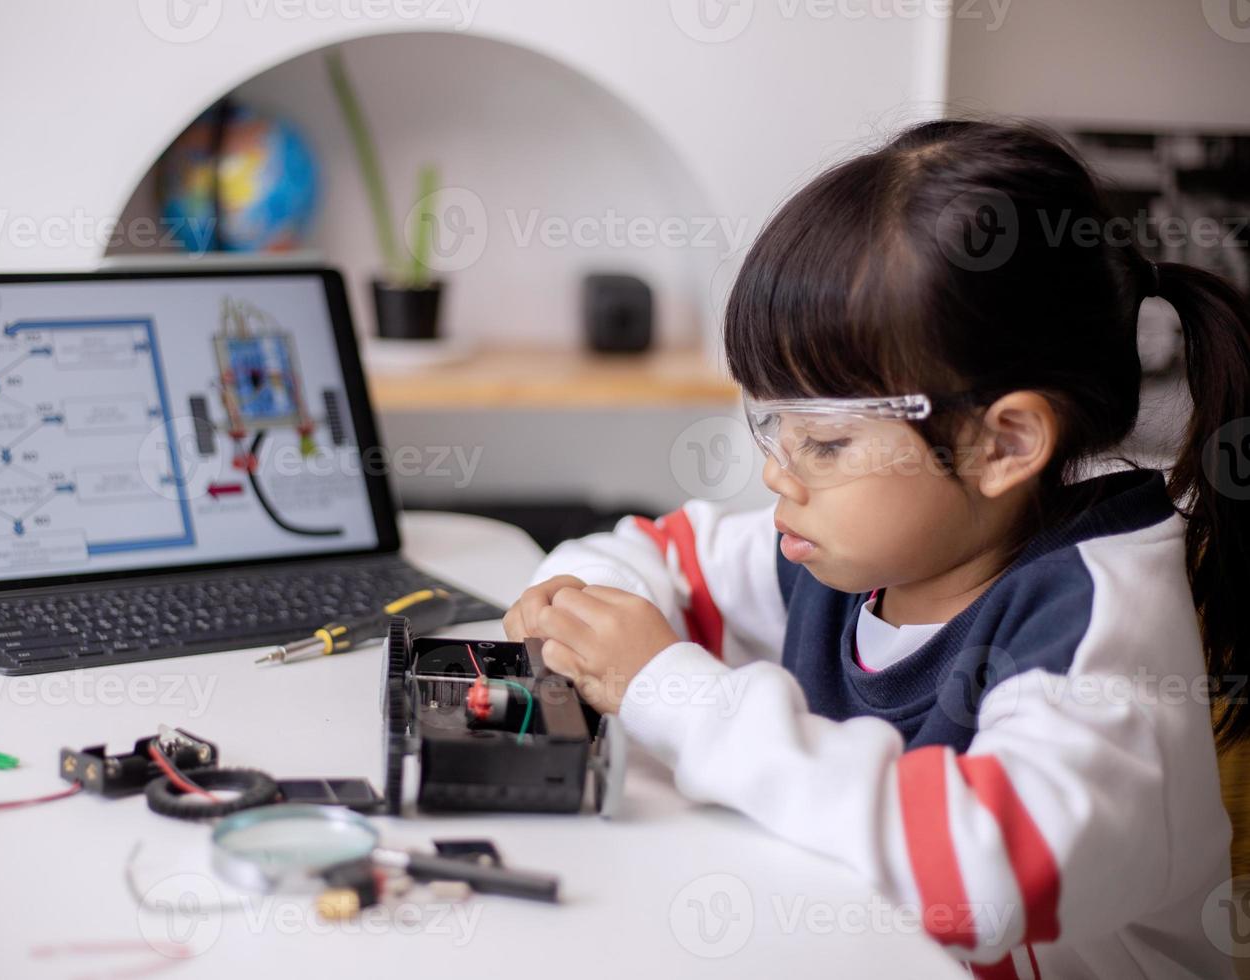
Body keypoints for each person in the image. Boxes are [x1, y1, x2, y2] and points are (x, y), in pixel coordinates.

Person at [506, 120, 1250, 977]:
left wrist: (677, 694)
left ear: (1000, 444)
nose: (779, 474)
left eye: (823, 441)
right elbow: (645, 553)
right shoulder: (856, 548)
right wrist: (575, 607)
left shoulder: (1097, 626)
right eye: (770, 424)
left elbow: (981, 878)